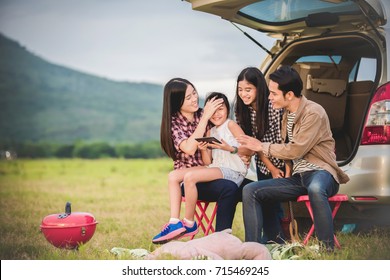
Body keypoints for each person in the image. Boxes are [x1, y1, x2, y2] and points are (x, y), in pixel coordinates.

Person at [237, 65, 350, 250]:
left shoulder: (313, 112)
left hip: (321, 172)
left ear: (289, 95)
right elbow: (290, 151)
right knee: (250, 190)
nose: (269, 97)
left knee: (315, 188)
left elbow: (295, 149)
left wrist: (260, 146)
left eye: (273, 93)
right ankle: (252, 249)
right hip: (299, 177)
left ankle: (326, 248)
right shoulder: (287, 114)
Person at [152, 79, 244, 244]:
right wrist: (204, 118)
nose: (194, 99)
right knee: (173, 176)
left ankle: (222, 237)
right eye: (188, 97)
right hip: (189, 180)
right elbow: (188, 148)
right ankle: (175, 222)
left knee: (237, 186)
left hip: (209, 168)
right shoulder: (174, 123)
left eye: (194, 93)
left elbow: (224, 127)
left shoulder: (206, 114)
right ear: (176, 102)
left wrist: (237, 150)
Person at [234, 67, 285, 180]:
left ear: (259, 88)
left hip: (284, 162)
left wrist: (279, 169)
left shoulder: (273, 107)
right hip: (263, 165)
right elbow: (251, 144)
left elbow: (283, 141)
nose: (243, 94)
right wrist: (271, 168)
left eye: (248, 90)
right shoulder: (240, 110)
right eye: (240, 89)